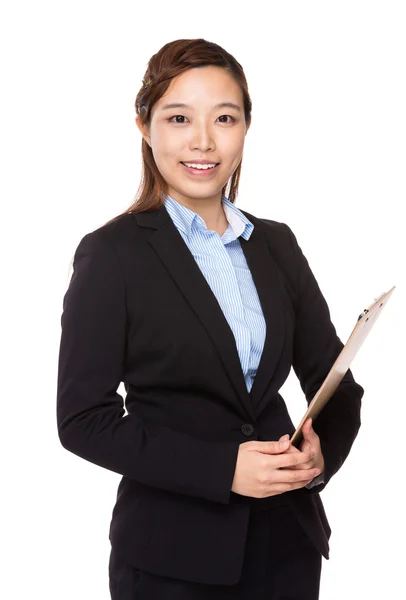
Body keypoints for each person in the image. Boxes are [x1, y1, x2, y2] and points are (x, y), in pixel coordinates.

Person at [56, 38, 364, 600]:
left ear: (246, 129)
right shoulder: (113, 255)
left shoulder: (276, 244)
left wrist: (319, 460)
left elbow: (334, 379)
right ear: (145, 127)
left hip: (288, 549)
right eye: (179, 118)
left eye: (224, 118)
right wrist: (221, 470)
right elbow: (83, 419)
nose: (203, 141)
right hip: (172, 562)